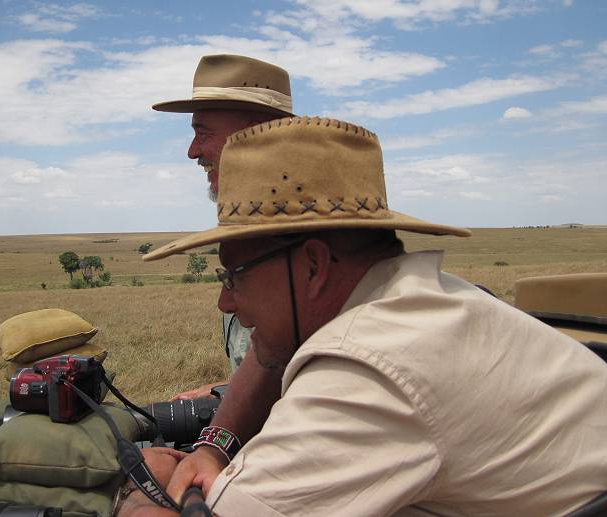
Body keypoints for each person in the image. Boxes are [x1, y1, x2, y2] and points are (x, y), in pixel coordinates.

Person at [117, 116, 607, 516]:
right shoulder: (422, 300)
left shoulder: (367, 365)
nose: (226, 302)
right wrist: (216, 447)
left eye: (234, 275)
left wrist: (140, 495)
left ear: (313, 265)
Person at [154, 54, 295, 399]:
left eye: (203, 133)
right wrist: (221, 396)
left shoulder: (310, 235)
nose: (192, 152)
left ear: (256, 134)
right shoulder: (251, 226)